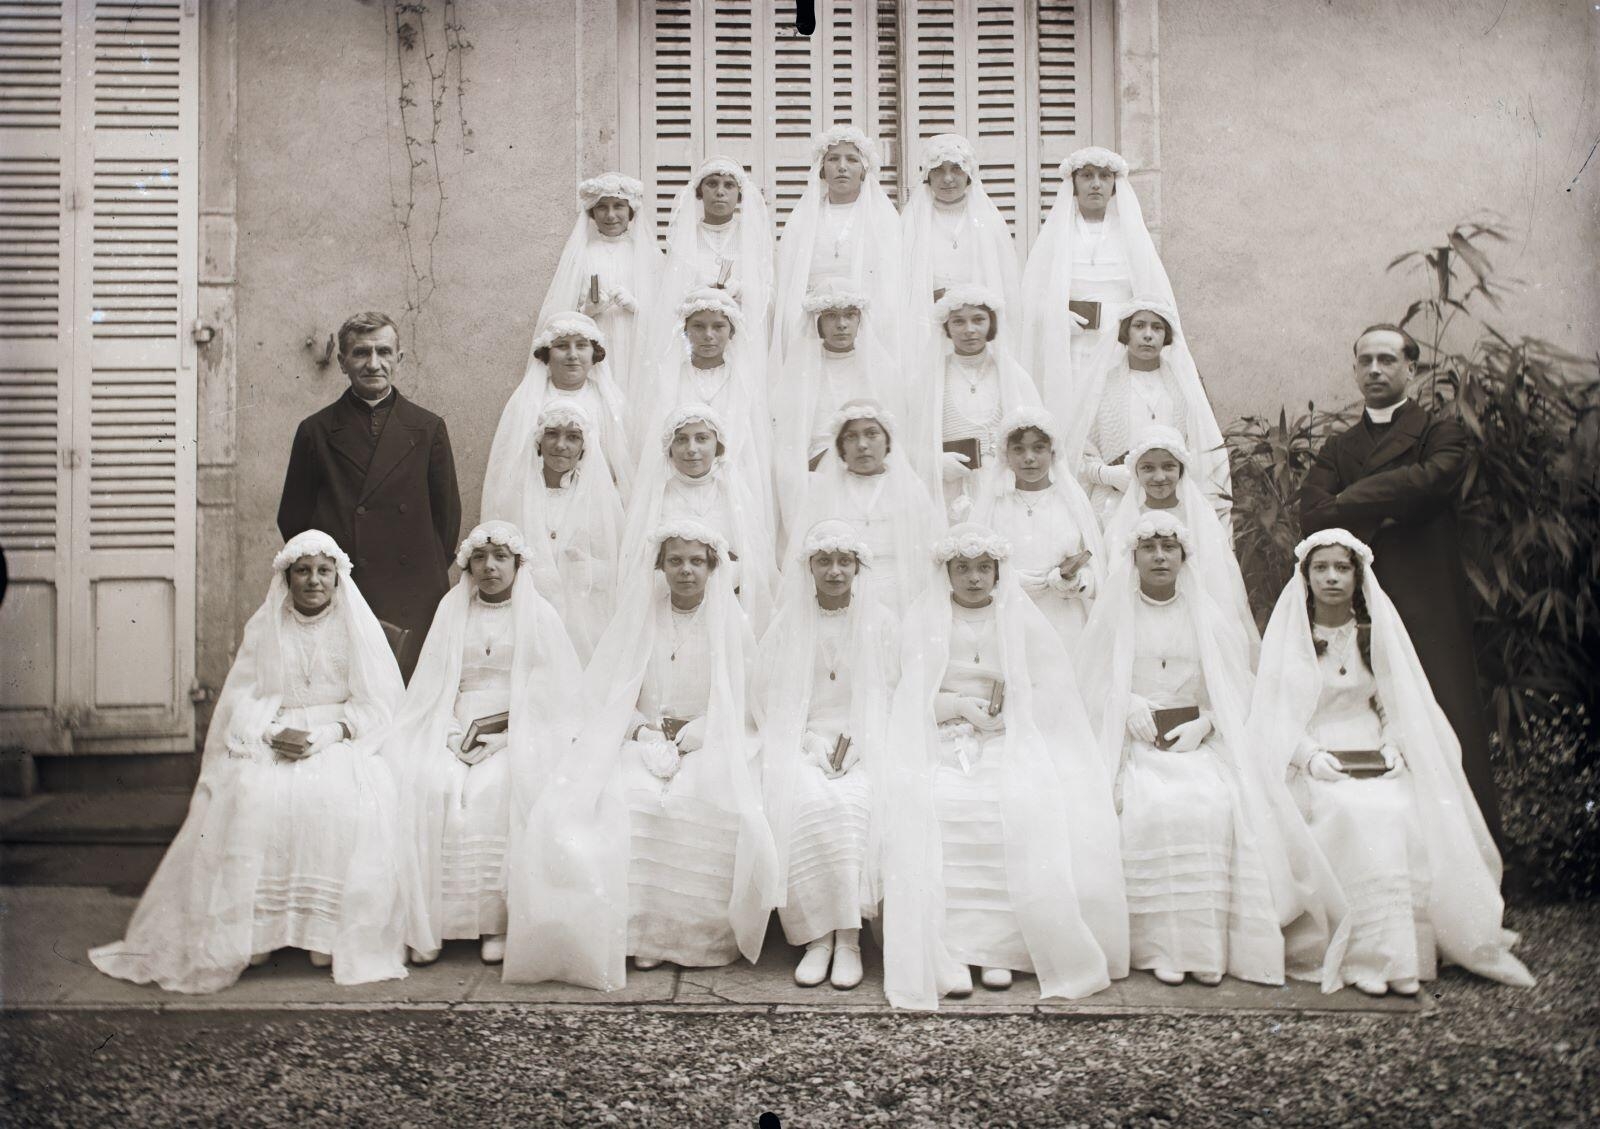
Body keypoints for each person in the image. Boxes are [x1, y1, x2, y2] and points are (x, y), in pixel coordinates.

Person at [91, 531, 410, 991]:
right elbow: (243, 698)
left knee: (341, 797)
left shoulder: (355, 627)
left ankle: (325, 933)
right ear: (287, 577)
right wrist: (270, 731)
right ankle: (256, 930)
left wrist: (331, 733)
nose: (314, 581)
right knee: (250, 795)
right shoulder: (266, 627)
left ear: (337, 578)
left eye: (323, 571)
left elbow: (378, 704)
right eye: (303, 571)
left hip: (340, 737)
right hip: (276, 733)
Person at [1248, 529, 1534, 994]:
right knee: (1350, 812)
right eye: (1321, 568)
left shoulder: (1373, 635)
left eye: (1342, 568)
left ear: (1358, 577)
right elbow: (1276, 715)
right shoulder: (1291, 639)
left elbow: (1394, 705)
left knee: (1400, 809)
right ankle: (1362, 957)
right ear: (1306, 577)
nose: (1332, 577)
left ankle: (1399, 958)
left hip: (1372, 754)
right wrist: (1309, 755)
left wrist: (1394, 745)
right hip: (1315, 757)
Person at [1076, 514, 1346, 989]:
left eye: (1169, 547)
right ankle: (1160, 947)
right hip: (1132, 742)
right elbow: (1087, 685)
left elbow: (1236, 689)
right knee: (1148, 805)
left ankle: (1201, 947)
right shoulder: (1114, 614)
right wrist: (1126, 703)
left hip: (1197, 742)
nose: (1160, 556)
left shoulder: (1208, 615)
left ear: (1184, 556)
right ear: (1134, 557)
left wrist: (1207, 721)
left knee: (1213, 803)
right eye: (1149, 548)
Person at [505, 521, 777, 983]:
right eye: (676, 561)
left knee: (704, 798)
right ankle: (646, 937)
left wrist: (708, 728)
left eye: (696, 561)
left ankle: (693, 939)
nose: (686, 571)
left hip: (710, 740)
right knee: (628, 796)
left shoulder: (732, 623)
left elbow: (747, 699)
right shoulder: (639, 618)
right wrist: (639, 730)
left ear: (713, 568)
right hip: (643, 738)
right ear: (660, 566)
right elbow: (610, 693)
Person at [881, 523, 1128, 1008]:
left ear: (997, 572)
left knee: (1015, 801)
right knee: (941, 804)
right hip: (940, 735)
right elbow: (905, 693)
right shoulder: (924, 619)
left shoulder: (1020, 617)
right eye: (963, 568)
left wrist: (1010, 715)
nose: (974, 578)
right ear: (947, 572)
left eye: (983, 568)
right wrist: (955, 707)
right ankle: (952, 950)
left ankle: (999, 950)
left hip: (1009, 735)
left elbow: (1048, 688)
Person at [1298, 323, 1501, 844]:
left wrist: (1347, 503)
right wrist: (1387, 506)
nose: (1375, 370)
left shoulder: (1441, 433)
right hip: (1357, 601)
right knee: (1370, 713)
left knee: (1444, 713)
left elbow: (1430, 481)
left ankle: (1464, 850)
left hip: (1424, 594)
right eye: (1365, 360)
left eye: (1387, 360)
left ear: (1411, 369)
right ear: (1354, 370)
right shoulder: (1338, 446)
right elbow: (1312, 513)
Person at [386, 522, 582, 967]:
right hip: (456, 727)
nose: (489, 566)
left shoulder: (539, 615)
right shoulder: (452, 611)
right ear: (468, 565)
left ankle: (497, 923)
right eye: (480, 557)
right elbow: (435, 685)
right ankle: (432, 922)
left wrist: (507, 739)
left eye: (500, 557)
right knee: (432, 782)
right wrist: (451, 733)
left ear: (518, 564)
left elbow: (555, 696)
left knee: (495, 789)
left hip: (521, 730)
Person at [754, 520, 900, 990]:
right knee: (804, 800)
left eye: (844, 562)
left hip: (866, 743)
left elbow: (893, 693)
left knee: (856, 804)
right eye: (824, 561)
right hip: (803, 742)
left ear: (858, 567)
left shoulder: (882, 623)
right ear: (810, 567)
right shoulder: (788, 623)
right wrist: (807, 741)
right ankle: (817, 937)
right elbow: (769, 698)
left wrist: (861, 743)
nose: (835, 571)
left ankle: (849, 939)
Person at [277, 312, 461, 680]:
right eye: (361, 353)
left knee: (411, 695)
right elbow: (294, 523)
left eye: (384, 352)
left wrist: (419, 576)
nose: (374, 364)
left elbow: (447, 521)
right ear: (342, 362)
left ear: (399, 358)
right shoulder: (315, 431)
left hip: (413, 597)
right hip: (348, 593)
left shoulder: (428, 428)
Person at [1022, 147, 1183, 413]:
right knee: (1072, 413)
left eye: (1104, 176)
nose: (1096, 184)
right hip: (1071, 345)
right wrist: (1055, 315)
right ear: (1074, 184)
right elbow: (1032, 297)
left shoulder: (1130, 235)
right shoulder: (1056, 235)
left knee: (1113, 412)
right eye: (1087, 176)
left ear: (1114, 185)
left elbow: (1151, 295)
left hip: (1117, 343)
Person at [1066, 301, 1230, 527]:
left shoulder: (1183, 388)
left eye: (1157, 327)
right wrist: (1107, 474)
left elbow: (1197, 449)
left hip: (1172, 500)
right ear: (1126, 332)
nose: (1148, 335)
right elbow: (1080, 451)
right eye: (1139, 326)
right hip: (1116, 502)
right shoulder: (1102, 387)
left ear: (1167, 336)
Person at [1100, 426, 1257, 657]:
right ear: (1136, 472)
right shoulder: (1124, 519)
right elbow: (1116, 574)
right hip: (1141, 619)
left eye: (1168, 466)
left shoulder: (1199, 516)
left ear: (1181, 469)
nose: (1159, 477)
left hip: (1194, 617)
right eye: (1148, 468)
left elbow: (1215, 574)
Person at [784, 399, 946, 619]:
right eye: (851, 437)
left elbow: (932, 554)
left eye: (871, 434)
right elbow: (804, 555)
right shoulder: (823, 491)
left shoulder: (911, 490)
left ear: (887, 442)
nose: (862, 445)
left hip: (903, 596)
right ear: (840, 447)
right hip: (843, 595)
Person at [621, 403, 776, 633]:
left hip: (728, 608)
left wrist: (719, 578)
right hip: (667, 609)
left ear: (717, 445)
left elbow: (754, 565)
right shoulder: (657, 496)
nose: (691, 449)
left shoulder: (734, 494)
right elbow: (641, 564)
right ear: (670, 447)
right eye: (681, 440)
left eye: (701, 439)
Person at [770, 283, 911, 534]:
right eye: (831, 316)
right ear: (818, 322)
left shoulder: (882, 369)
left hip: (870, 469)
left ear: (860, 320)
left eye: (849, 315)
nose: (841, 324)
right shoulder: (798, 371)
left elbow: (896, 437)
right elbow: (787, 442)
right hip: (813, 476)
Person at [490, 401, 623, 664]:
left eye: (572, 437)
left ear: (584, 447)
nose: (561, 445)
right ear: (539, 442)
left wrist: (584, 567)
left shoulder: (601, 500)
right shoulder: (513, 495)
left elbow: (616, 565)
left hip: (584, 616)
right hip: (528, 611)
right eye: (552, 434)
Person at [770, 125, 905, 370]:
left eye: (851, 159)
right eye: (833, 159)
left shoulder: (883, 219)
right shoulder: (802, 219)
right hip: (813, 322)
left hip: (865, 321)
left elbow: (890, 284)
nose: (842, 166)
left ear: (864, 170)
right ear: (822, 168)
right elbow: (790, 282)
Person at [972, 407, 1104, 653]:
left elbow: (1094, 569)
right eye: (1019, 449)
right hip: (1009, 618)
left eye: (1038, 448)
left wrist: (1075, 581)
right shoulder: (994, 504)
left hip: (1063, 622)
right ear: (1006, 454)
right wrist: (1005, 579)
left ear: (1052, 452)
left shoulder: (1071, 503)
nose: (1029, 457)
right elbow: (974, 565)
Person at [634, 288, 771, 517]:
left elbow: (753, 443)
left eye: (718, 326)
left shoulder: (744, 382)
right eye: (698, 326)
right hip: (681, 479)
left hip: (736, 476)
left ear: (731, 331)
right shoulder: (670, 379)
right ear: (685, 330)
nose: (708, 335)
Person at [483, 311, 632, 511]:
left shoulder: (610, 402)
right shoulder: (527, 401)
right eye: (562, 346)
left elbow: (622, 467)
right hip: (534, 504)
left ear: (594, 353)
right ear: (547, 354)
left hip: (594, 507)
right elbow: (508, 466)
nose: (572, 355)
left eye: (581, 345)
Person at [535, 173, 663, 404]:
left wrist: (636, 306)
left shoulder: (648, 256)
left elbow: (666, 312)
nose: (611, 215)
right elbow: (562, 311)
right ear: (592, 212)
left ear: (630, 211)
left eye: (618, 206)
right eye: (602, 207)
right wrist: (587, 311)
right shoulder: (581, 255)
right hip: (594, 344)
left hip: (636, 343)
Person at [922, 285, 1042, 518]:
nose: (969, 330)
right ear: (947, 326)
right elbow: (912, 440)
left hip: (1002, 485)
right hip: (950, 487)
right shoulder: (931, 376)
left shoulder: (1012, 374)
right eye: (959, 321)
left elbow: (1038, 435)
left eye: (978, 320)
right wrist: (935, 462)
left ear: (991, 323)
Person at [901, 133, 1022, 362]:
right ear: (928, 176)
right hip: (928, 323)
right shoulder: (912, 222)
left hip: (974, 327)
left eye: (956, 169)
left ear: (969, 174)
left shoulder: (989, 220)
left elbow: (1004, 282)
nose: (948, 178)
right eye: (939, 170)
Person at [654, 155, 774, 355]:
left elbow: (770, 298)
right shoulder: (684, 240)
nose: (720, 192)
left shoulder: (754, 240)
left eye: (729, 185)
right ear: (700, 191)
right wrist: (697, 292)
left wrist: (741, 291)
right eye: (712, 184)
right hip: (698, 340)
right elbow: (669, 298)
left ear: (739, 193)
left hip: (744, 337)